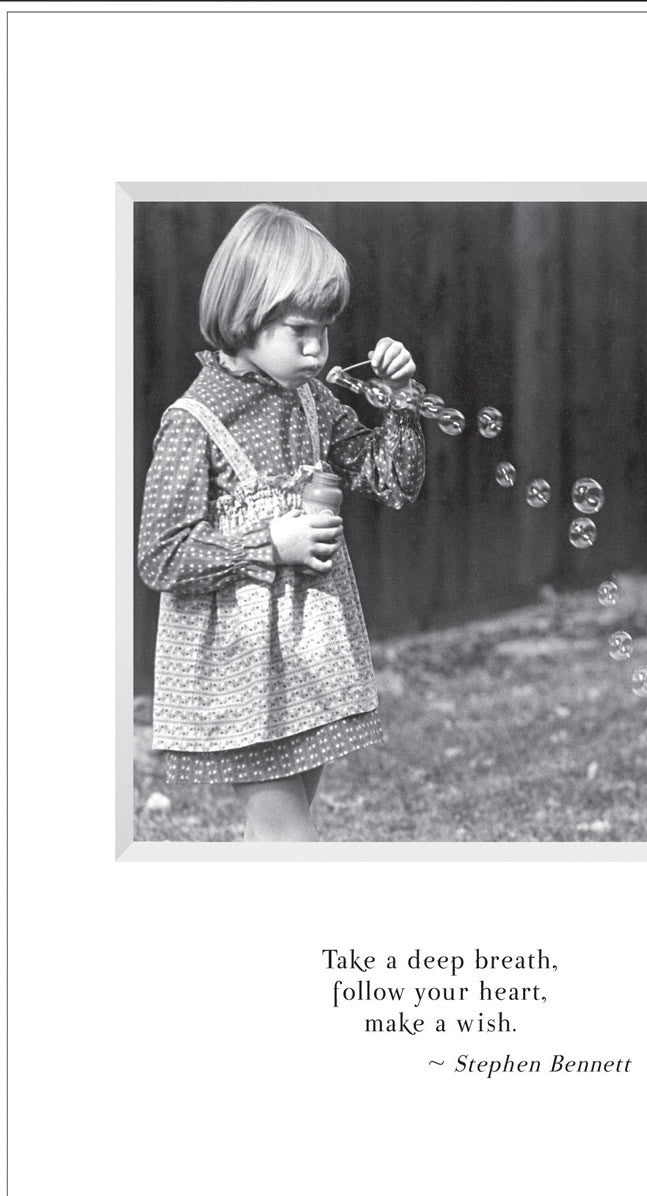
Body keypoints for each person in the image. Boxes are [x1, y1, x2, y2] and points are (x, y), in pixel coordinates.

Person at [138, 203, 425, 841]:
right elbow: (161, 556)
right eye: (299, 329)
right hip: (242, 675)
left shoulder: (313, 400)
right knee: (286, 839)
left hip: (309, 664)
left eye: (325, 329)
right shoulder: (194, 422)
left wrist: (401, 401)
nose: (317, 348)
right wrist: (270, 542)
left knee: (275, 839)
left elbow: (392, 481)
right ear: (245, 314)